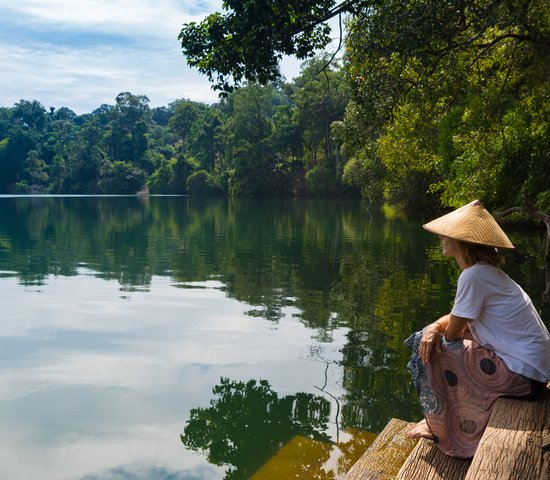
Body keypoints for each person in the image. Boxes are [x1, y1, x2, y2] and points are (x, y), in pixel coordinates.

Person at [404, 200, 550, 458]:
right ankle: (444, 421)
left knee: (433, 348)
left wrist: (433, 332)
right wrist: (435, 326)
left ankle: (441, 425)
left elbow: (452, 335)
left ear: (462, 242)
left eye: (446, 234)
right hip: (533, 375)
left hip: (524, 377)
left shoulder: (473, 276)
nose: (441, 237)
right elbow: (456, 318)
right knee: (433, 339)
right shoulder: (485, 272)